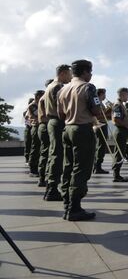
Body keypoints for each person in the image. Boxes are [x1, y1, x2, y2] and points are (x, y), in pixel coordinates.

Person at [57, 59, 102, 221]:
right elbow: (96, 110)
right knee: (82, 169)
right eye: (90, 72)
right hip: (82, 129)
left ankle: (67, 203)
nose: (91, 75)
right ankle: (75, 208)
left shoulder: (63, 89)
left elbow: (60, 114)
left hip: (67, 129)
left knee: (68, 166)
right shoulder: (88, 87)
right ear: (84, 72)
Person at [44, 64, 72, 202]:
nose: (71, 77)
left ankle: (51, 186)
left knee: (54, 153)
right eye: (69, 74)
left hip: (53, 121)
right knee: (58, 155)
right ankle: (52, 188)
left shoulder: (51, 86)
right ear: (63, 73)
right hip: (58, 122)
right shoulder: (58, 87)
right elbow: (63, 106)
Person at [111, 88, 128, 182]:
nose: (127, 97)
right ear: (122, 95)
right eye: (127, 95)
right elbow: (116, 119)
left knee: (121, 153)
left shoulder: (121, 105)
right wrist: (127, 125)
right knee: (119, 153)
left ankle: (117, 174)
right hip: (120, 131)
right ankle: (116, 175)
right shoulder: (117, 105)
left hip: (122, 131)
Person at [37, 81, 52, 187]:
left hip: (47, 125)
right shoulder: (45, 98)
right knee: (46, 152)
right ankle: (42, 177)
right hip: (45, 126)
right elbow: (42, 117)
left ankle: (45, 176)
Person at [93, 88, 111, 175]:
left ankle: (97, 166)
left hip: (103, 124)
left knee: (101, 145)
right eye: (104, 94)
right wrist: (108, 111)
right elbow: (97, 116)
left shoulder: (101, 103)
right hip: (100, 125)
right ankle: (97, 166)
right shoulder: (97, 103)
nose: (105, 96)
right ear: (100, 94)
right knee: (101, 145)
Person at [27, 90, 44, 177]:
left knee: (40, 148)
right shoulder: (33, 106)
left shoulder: (39, 104)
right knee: (35, 148)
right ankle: (32, 169)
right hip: (36, 126)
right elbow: (36, 116)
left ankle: (37, 167)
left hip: (40, 126)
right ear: (38, 96)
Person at [23, 100, 34, 164]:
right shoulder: (26, 112)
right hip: (28, 127)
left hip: (32, 127)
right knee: (28, 144)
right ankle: (27, 159)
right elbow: (27, 118)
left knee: (33, 144)